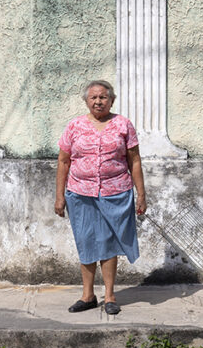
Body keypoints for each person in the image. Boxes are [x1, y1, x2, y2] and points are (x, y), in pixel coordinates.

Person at [54, 80, 146, 315]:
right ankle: (87, 296)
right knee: (86, 241)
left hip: (115, 192)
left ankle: (110, 296)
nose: (98, 101)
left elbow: (134, 160)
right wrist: (59, 196)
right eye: (93, 97)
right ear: (86, 101)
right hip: (80, 193)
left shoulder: (123, 125)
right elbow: (64, 162)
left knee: (108, 243)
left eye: (103, 97)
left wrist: (141, 194)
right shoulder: (74, 126)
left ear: (111, 100)